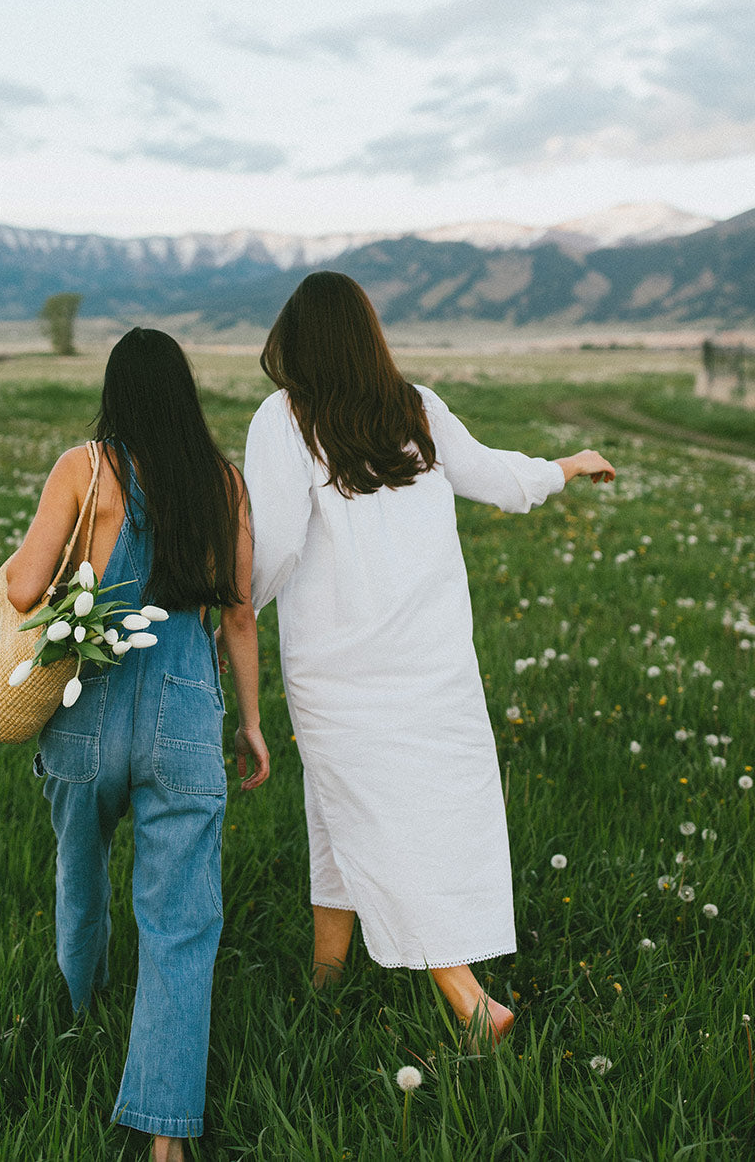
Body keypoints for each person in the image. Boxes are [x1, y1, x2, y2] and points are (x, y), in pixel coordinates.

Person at [243, 273, 613, 1048]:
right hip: (431, 658)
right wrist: (563, 466)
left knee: (371, 818)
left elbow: (272, 548)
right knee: (340, 810)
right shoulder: (414, 407)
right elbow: (494, 476)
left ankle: (470, 1000)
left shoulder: (284, 419)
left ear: (296, 343)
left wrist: (224, 609)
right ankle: (326, 977)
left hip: (339, 668)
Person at [6, 328, 269, 1160]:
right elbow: (236, 613)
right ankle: (166, 1138)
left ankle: (82, 1018)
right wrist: (252, 722)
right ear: (185, 393)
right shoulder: (222, 480)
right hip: (187, 711)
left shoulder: (83, 469)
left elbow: (21, 586)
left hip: (87, 703)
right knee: (183, 920)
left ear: (115, 391)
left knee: (79, 875)